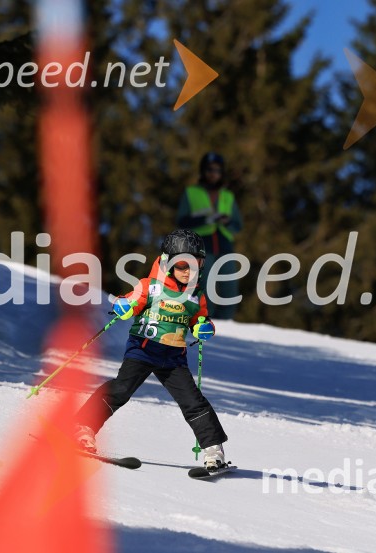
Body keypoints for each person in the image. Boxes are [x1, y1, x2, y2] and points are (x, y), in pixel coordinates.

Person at [73, 229, 229, 470]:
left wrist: (203, 328)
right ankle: (81, 429)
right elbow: (129, 302)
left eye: (195, 265)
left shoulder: (196, 296)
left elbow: (200, 320)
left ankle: (213, 450)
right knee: (121, 389)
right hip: (143, 351)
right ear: (168, 264)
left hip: (174, 358)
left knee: (193, 402)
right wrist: (123, 306)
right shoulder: (150, 287)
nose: (189, 272)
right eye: (182, 266)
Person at [176, 152, 243, 320]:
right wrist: (204, 219)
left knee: (230, 287)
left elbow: (238, 225)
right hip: (201, 245)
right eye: (210, 170)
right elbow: (181, 220)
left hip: (224, 245)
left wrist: (226, 221)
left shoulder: (228, 196)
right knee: (205, 286)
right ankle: (205, 321)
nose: (214, 174)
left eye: (218, 171)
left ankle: (227, 325)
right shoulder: (191, 193)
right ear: (203, 171)